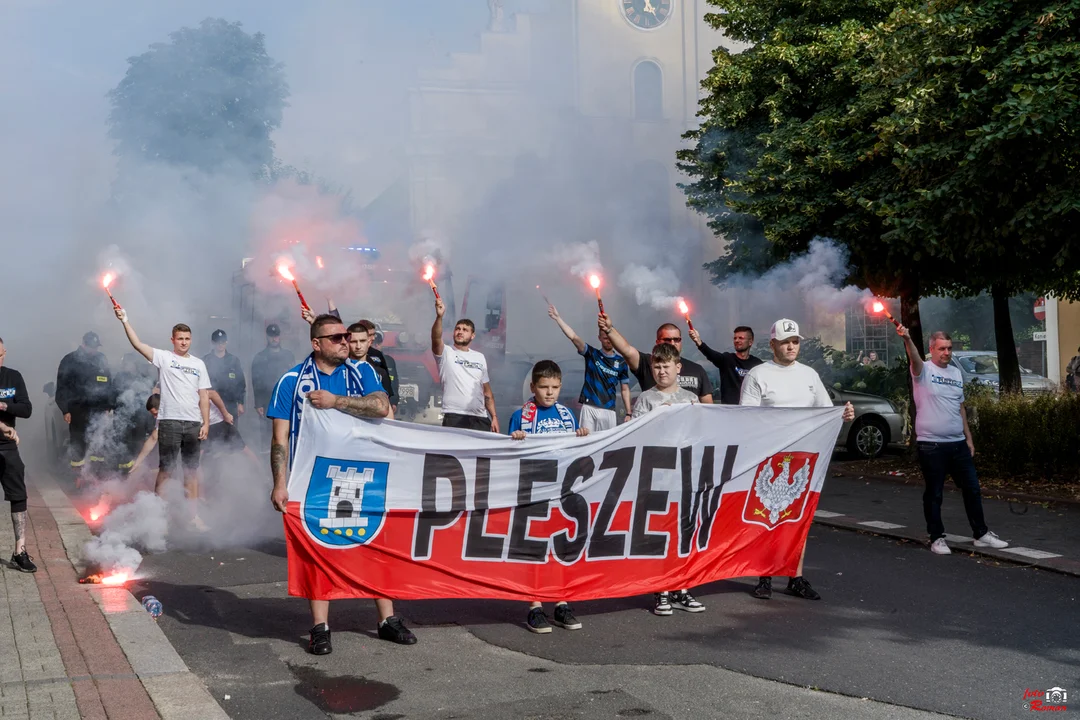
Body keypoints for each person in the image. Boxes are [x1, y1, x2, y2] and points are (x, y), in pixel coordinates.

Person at [268, 314, 416, 655]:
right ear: (316, 343)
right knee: (318, 551)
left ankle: (387, 619)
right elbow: (279, 439)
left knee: (375, 546)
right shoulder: (291, 381)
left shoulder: (361, 371)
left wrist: (336, 402)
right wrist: (279, 483)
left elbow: (381, 406)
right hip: (314, 478)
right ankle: (320, 627)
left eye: (346, 336)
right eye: (335, 338)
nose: (344, 342)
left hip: (362, 473)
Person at [740, 319, 855, 601]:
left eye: (795, 341)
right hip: (770, 458)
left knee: (798, 519)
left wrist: (843, 415)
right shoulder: (758, 375)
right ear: (773, 345)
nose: (791, 347)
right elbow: (746, 418)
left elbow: (826, 412)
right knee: (768, 518)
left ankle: (796, 577)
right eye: (785, 342)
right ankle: (764, 576)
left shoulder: (809, 375)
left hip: (804, 459)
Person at [897, 325, 1009, 555]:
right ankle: (937, 538)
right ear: (931, 349)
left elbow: (960, 408)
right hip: (931, 444)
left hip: (958, 444)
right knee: (935, 493)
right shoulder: (923, 371)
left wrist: (969, 438)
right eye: (942, 349)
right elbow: (914, 357)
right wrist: (907, 338)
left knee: (972, 489)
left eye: (949, 348)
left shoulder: (956, 373)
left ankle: (981, 534)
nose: (946, 352)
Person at [508, 360, 589, 633]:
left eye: (554, 387)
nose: (550, 392)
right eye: (544, 387)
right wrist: (515, 438)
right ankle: (535, 606)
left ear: (561, 386)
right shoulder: (521, 415)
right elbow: (506, 452)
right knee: (535, 549)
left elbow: (576, 450)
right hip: (533, 492)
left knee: (561, 549)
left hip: (561, 492)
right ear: (533, 387)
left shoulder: (567, 414)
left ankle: (561, 602)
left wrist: (582, 436)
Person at [627, 342, 707, 616]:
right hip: (658, 475)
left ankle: (681, 587)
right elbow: (635, 434)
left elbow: (702, 432)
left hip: (685, 474)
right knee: (660, 533)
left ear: (678, 367)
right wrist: (660, 417)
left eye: (666, 366)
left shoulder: (691, 398)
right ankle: (661, 589)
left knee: (684, 532)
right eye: (657, 367)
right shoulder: (646, 399)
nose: (662, 371)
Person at [115, 309, 211, 529]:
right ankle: (157, 517)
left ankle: (193, 516)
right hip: (170, 422)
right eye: (180, 338)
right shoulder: (164, 358)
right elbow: (137, 344)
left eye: (187, 339)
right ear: (173, 340)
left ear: (191, 340)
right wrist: (125, 320)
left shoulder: (199, 364)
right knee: (166, 470)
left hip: (193, 424)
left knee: (191, 472)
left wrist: (206, 423)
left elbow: (204, 395)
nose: (184, 342)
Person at [548, 304, 631, 430]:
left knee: (607, 442)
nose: (608, 340)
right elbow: (573, 337)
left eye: (610, 338)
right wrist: (558, 318)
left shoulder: (621, 362)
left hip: (609, 410)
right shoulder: (592, 354)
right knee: (585, 438)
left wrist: (628, 413)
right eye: (605, 338)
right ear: (599, 338)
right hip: (589, 407)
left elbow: (625, 389)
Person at [599, 314, 714, 403]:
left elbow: (707, 407)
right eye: (667, 340)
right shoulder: (647, 362)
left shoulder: (697, 370)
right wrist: (609, 330)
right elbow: (626, 350)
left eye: (676, 339)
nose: (672, 343)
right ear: (657, 342)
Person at [431, 297, 498, 431]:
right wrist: (439, 317)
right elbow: (436, 337)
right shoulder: (446, 352)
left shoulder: (480, 357)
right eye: (458, 329)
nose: (460, 332)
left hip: (480, 417)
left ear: (472, 335)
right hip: (454, 415)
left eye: (465, 330)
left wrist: (494, 416)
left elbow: (487, 391)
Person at [55, 332, 114, 482]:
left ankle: (97, 476)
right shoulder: (69, 360)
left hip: (99, 410)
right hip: (77, 410)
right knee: (78, 443)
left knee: (99, 443)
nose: (94, 350)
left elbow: (109, 383)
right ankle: (79, 478)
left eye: (96, 347)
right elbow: (62, 387)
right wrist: (65, 410)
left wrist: (108, 406)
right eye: (91, 347)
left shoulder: (101, 358)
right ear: (83, 344)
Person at [0, 339, 34, 573]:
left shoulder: (13, 377)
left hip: (7, 447)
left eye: (1, 354)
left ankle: (19, 552)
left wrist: (4, 406)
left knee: (18, 495)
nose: (0, 359)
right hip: (6, 435)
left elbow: (26, 409)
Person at [689, 325, 763, 405]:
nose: (737, 340)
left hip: (751, 409)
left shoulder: (757, 364)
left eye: (741, 338)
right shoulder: (727, 359)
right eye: (735, 338)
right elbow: (710, 354)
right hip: (728, 410)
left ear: (750, 342)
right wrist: (699, 342)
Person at [203, 330, 248, 455]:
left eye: (223, 342)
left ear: (226, 342)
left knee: (232, 435)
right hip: (211, 405)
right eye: (218, 342)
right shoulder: (205, 361)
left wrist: (240, 403)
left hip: (230, 404)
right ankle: (210, 460)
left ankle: (229, 460)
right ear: (213, 343)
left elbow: (241, 383)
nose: (220, 345)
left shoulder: (234, 360)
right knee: (210, 435)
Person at [251, 324, 295, 452]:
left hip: (286, 398)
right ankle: (266, 459)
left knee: (286, 430)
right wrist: (258, 404)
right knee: (266, 432)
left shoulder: (288, 355)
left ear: (280, 336)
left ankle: (285, 457)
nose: (274, 339)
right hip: (267, 399)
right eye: (271, 336)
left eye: (276, 336)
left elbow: (293, 377)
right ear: (267, 337)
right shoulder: (259, 357)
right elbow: (256, 381)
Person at [112, 352, 157, 473]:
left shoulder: (144, 377)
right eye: (125, 363)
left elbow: (150, 397)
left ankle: (138, 470)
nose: (126, 365)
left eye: (128, 363)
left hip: (140, 418)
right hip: (123, 416)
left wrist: (149, 420)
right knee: (123, 444)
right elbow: (114, 395)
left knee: (138, 443)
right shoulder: (119, 377)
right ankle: (123, 472)